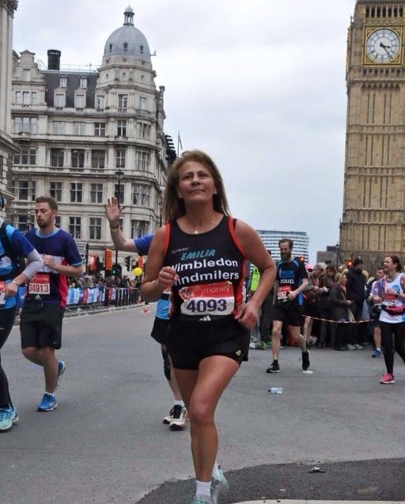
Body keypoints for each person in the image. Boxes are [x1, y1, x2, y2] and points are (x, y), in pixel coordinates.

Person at [141, 150, 275, 504]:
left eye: (203, 175)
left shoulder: (236, 230)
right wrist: (161, 283)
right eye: (188, 177)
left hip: (225, 334)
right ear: (179, 190)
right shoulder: (165, 236)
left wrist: (255, 303)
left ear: (214, 185)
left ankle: (202, 494)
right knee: (200, 417)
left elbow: (269, 267)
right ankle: (212, 472)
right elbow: (146, 287)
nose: (196, 181)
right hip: (183, 335)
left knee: (199, 410)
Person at [104, 197, 187, 430]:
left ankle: (192, 402)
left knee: (189, 358)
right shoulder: (158, 238)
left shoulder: (196, 236)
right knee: (168, 357)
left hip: (193, 307)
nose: (166, 216)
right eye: (164, 212)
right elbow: (122, 244)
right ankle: (179, 403)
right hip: (165, 306)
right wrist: (113, 224)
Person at [20, 196, 84, 411]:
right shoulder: (29, 236)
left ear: (54, 213)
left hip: (54, 299)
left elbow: (78, 270)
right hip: (31, 297)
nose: (39, 214)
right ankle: (55, 367)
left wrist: (56, 266)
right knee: (28, 350)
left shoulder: (64, 239)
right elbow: (24, 262)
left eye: (43, 211)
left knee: (46, 349)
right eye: (36, 211)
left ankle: (49, 394)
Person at [0, 187, 43, 432]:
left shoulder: (9, 233)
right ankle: (7, 406)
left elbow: (37, 261)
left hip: (4, 303)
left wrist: (16, 282)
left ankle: (6, 408)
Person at [371, 255, 405, 385]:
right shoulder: (382, 281)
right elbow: (379, 296)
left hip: (400, 316)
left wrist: (396, 294)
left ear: (395, 264)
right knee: (387, 345)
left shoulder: (402, 278)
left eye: (387, 262)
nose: (384, 263)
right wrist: (378, 299)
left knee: (399, 346)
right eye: (383, 261)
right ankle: (389, 374)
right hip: (386, 315)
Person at [266, 239, 310, 373]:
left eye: (285, 249)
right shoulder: (278, 265)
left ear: (290, 249)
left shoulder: (298, 264)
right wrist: (274, 301)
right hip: (280, 302)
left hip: (294, 303)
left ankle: (304, 352)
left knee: (296, 335)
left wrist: (295, 292)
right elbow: (276, 284)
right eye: (281, 249)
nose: (283, 252)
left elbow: (305, 283)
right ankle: (275, 362)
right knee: (275, 330)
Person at [330, 272, 354, 351]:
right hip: (338, 310)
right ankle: (338, 344)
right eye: (344, 278)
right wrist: (345, 302)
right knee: (340, 327)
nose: (346, 279)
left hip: (344, 310)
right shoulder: (335, 288)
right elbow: (334, 300)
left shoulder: (344, 288)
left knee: (344, 327)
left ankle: (342, 343)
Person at [346, 257, 366, 349]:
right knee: (351, 323)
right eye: (360, 264)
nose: (362, 266)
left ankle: (354, 341)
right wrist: (351, 299)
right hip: (353, 301)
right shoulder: (350, 274)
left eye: (362, 264)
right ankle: (348, 341)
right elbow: (348, 288)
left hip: (360, 301)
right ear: (356, 265)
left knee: (357, 323)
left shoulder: (362, 275)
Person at [367, 267, 384, 358]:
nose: (378, 274)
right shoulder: (375, 283)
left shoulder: (387, 283)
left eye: (380, 273)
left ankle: (389, 346)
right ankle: (378, 349)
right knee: (376, 329)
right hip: (377, 308)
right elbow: (371, 295)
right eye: (377, 272)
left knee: (388, 330)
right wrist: (371, 298)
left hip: (388, 308)